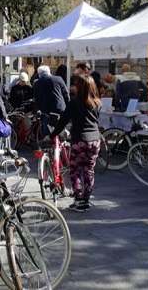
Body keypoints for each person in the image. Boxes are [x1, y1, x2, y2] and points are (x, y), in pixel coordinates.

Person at [48, 75, 102, 212]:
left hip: (79, 139)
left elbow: (63, 120)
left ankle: (78, 200)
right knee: (89, 171)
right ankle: (86, 201)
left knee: (75, 171)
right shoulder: (97, 102)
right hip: (95, 140)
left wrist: (53, 135)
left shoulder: (75, 103)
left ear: (80, 87)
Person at [32, 65, 69, 136]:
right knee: (61, 127)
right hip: (59, 108)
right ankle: (60, 143)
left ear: (39, 73)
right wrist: (68, 106)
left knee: (47, 129)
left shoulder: (37, 83)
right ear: (49, 71)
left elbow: (36, 99)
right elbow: (66, 94)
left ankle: (48, 144)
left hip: (46, 110)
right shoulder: (58, 79)